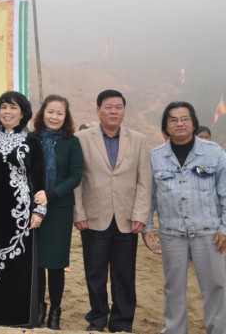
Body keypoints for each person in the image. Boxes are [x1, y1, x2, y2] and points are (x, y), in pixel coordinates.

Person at [142, 101, 226, 334]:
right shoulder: (155, 157)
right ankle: (175, 330)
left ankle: (218, 329)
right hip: (172, 234)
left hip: (209, 232)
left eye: (184, 118)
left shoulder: (214, 153)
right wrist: (147, 227)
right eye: (173, 119)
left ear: (193, 123)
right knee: (173, 287)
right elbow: (149, 195)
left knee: (215, 286)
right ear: (165, 126)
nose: (179, 123)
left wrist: (224, 228)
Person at [74, 89, 152, 332]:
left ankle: (121, 323)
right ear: (98, 110)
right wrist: (79, 213)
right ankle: (97, 320)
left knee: (124, 276)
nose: (113, 111)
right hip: (93, 218)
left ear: (124, 111)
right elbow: (77, 180)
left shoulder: (138, 139)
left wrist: (140, 215)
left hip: (127, 220)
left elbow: (144, 181)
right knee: (95, 275)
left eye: (118, 107)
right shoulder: (82, 138)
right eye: (108, 107)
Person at [0, 91, 45, 327]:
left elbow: (39, 178)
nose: (7, 112)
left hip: (21, 210)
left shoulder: (32, 140)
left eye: (13, 107)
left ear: (23, 113)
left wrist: (39, 211)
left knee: (18, 263)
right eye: (4, 107)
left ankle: (19, 317)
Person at [32, 94, 84, 330]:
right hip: (33, 208)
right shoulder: (32, 139)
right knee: (37, 262)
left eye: (59, 113)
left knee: (55, 263)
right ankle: (38, 306)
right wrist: (37, 198)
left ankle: (55, 310)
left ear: (66, 116)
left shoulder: (71, 142)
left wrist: (51, 195)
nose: (54, 117)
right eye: (50, 111)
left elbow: (75, 176)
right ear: (42, 113)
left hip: (59, 210)